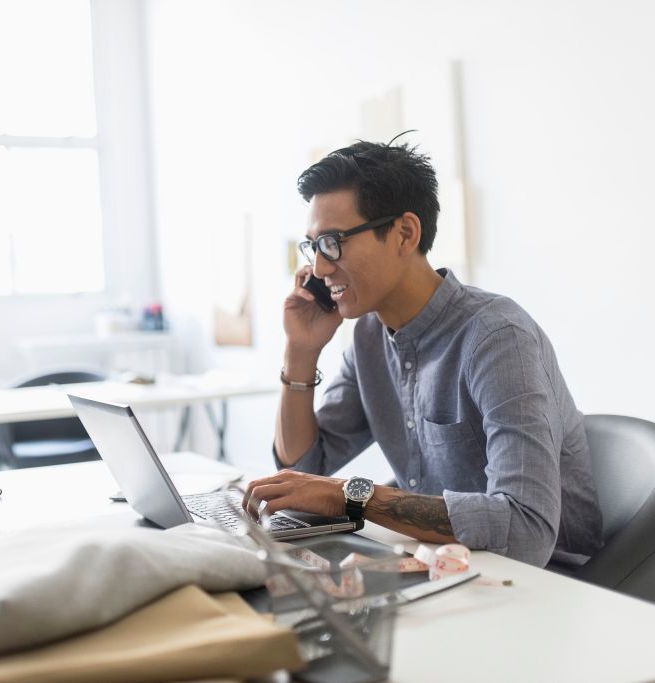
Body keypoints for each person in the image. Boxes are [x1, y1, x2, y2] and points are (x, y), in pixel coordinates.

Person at [244, 140, 602, 567]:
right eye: (313, 247)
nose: (320, 268)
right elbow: (304, 464)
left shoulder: (498, 338)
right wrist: (301, 351)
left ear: (405, 234)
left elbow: (527, 530)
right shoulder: (369, 338)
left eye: (332, 243)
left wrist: (351, 496)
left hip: (543, 581)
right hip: (441, 565)